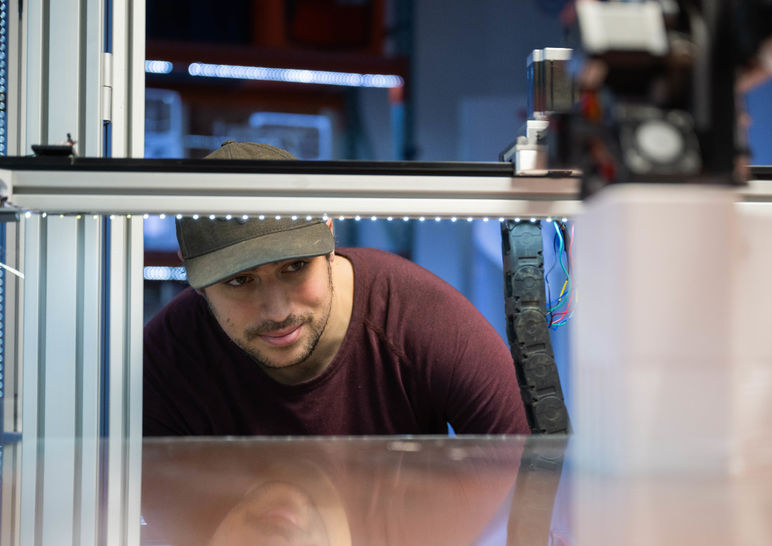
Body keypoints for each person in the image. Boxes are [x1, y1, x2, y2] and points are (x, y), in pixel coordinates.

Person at [143, 140, 529, 436]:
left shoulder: (427, 322)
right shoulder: (167, 357)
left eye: (295, 267)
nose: (277, 311)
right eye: (240, 281)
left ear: (329, 239)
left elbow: (542, 485)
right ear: (193, 276)